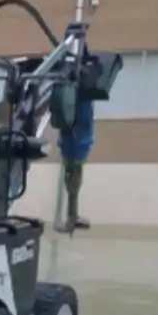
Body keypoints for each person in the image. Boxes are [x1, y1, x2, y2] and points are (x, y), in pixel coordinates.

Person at [59, 96, 94, 231]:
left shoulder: (77, 99)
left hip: (76, 147)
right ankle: (71, 218)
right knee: (73, 182)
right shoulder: (77, 99)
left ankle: (72, 216)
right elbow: (83, 123)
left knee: (74, 181)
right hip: (75, 148)